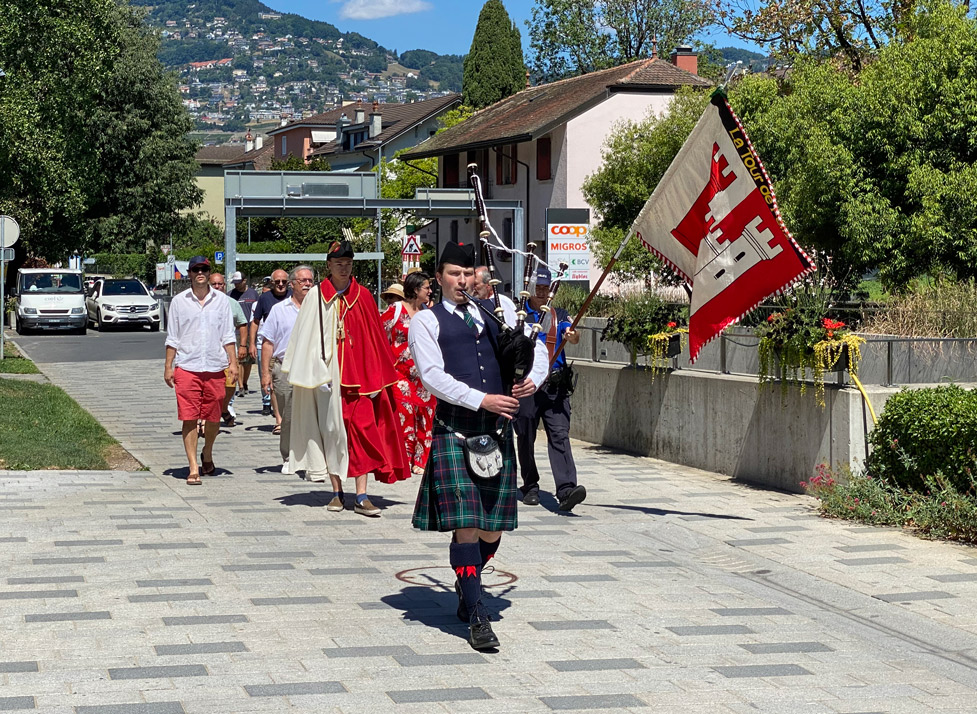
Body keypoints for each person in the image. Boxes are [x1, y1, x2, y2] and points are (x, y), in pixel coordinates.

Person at [408, 241, 548, 651]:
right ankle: (478, 614)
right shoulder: (426, 322)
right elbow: (432, 376)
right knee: (467, 525)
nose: (462, 281)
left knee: (492, 528)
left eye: (468, 274)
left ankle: (465, 581)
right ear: (438, 278)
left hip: (498, 432)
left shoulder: (496, 312)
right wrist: (481, 398)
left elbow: (536, 347)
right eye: (453, 274)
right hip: (457, 427)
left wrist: (530, 381)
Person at [284, 241, 410, 516]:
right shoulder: (316, 297)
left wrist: (378, 375)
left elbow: (375, 339)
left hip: (361, 382)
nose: (344, 268)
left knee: (363, 433)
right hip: (328, 381)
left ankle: (362, 495)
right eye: (338, 263)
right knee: (331, 435)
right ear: (328, 265)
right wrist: (316, 373)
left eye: (348, 263)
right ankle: (337, 492)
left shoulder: (363, 296)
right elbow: (305, 340)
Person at [513, 266, 587, 512]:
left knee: (559, 435)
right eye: (539, 288)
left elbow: (570, 332)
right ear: (530, 289)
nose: (543, 292)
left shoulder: (558, 314)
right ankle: (530, 485)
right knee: (526, 436)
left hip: (555, 387)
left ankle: (566, 489)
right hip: (527, 387)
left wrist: (572, 335)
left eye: (547, 287)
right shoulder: (518, 314)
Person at [163, 256, 238, 486]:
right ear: (190, 274)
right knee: (189, 417)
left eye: (204, 269)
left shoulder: (222, 301)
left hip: (215, 366)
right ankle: (193, 466)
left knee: (214, 416)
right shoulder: (179, 301)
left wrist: (233, 363)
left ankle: (208, 450)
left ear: (209, 271)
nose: (200, 273)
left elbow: (227, 334)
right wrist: (168, 366)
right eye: (196, 269)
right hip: (188, 366)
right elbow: (173, 337)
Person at [258, 265, 315, 473]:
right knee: (288, 417)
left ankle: (313, 458)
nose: (308, 284)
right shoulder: (279, 310)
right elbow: (267, 342)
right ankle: (289, 456)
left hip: (312, 369)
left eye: (310, 280)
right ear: (292, 285)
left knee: (313, 416)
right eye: (303, 281)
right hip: (285, 370)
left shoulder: (319, 308)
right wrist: (265, 374)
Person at [381, 271, 436, 475]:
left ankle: (421, 461)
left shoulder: (428, 314)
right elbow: (380, 335)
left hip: (424, 375)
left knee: (426, 416)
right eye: (426, 288)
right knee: (404, 415)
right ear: (415, 290)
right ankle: (403, 458)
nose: (430, 291)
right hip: (400, 375)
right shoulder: (396, 310)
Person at [249, 269, 291, 423]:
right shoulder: (265, 298)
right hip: (269, 346)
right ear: (272, 282)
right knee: (271, 380)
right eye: (277, 282)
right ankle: (279, 418)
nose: (281, 285)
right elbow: (256, 321)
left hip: (289, 347)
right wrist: (251, 344)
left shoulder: (294, 296)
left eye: (284, 282)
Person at [209, 272, 249, 427]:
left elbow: (242, 324)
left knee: (230, 385)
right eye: (214, 284)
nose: (218, 287)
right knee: (210, 389)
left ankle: (223, 408)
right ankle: (206, 417)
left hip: (228, 353)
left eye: (221, 284)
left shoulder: (232, 303)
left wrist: (243, 345)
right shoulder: (203, 302)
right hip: (209, 353)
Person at [229, 271, 259, 394]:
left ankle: (245, 382)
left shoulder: (253, 294)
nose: (236, 285)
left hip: (250, 330)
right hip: (237, 330)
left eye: (238, 282)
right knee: (240, 359)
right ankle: (240, 386)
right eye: (234, 283)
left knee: (249, 360)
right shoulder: (230, 295)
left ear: (245, 281)